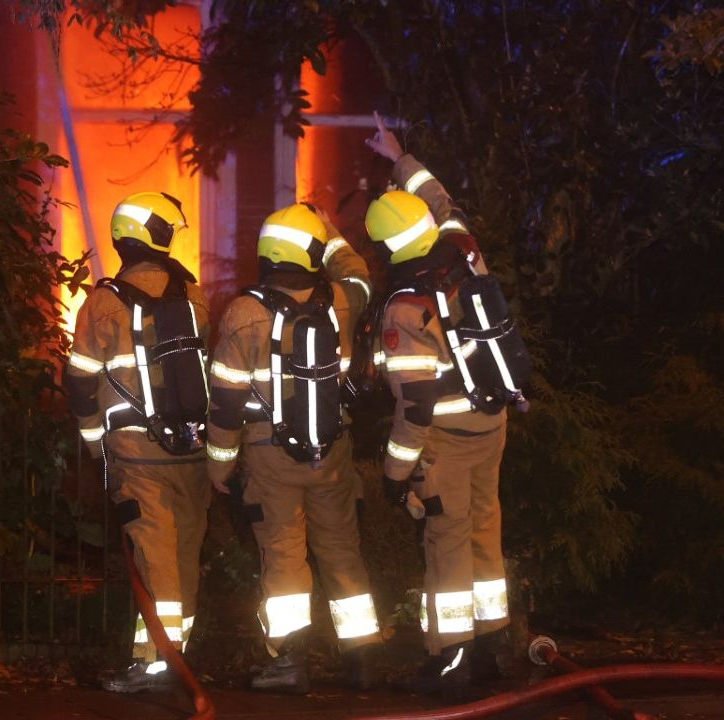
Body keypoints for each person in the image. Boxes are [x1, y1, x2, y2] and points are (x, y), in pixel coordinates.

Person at [364, 113, 513, 695]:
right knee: (484, 530)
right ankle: (493, 647)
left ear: (385, 248)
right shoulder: (465, 251)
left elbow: (416, 407)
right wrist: (400, 157)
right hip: (492, 423)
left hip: (446, 441)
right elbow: (442, 199)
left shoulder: (405, 308)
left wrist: (394, 473)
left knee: (446, 545)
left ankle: (452, 659)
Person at [205, 201, 382, 693]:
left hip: (269, 455)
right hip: (332, 450)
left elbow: (225, 404)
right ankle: (363, 657)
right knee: (342, 551)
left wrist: (219, 465)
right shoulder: (342, 301)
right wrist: (330, 229)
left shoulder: (244, 313)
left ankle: (289, 662)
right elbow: (359, 274)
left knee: (283, 556)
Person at [63, 191, 211, 693]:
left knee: (154, 557)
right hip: (191, 450)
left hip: (135, 454)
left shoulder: (102, 304)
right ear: (160, 236)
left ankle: (157, 664)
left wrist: (96, 447)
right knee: (184, 553)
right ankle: (175, 655)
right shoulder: (195, 299)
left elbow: (80, 383)